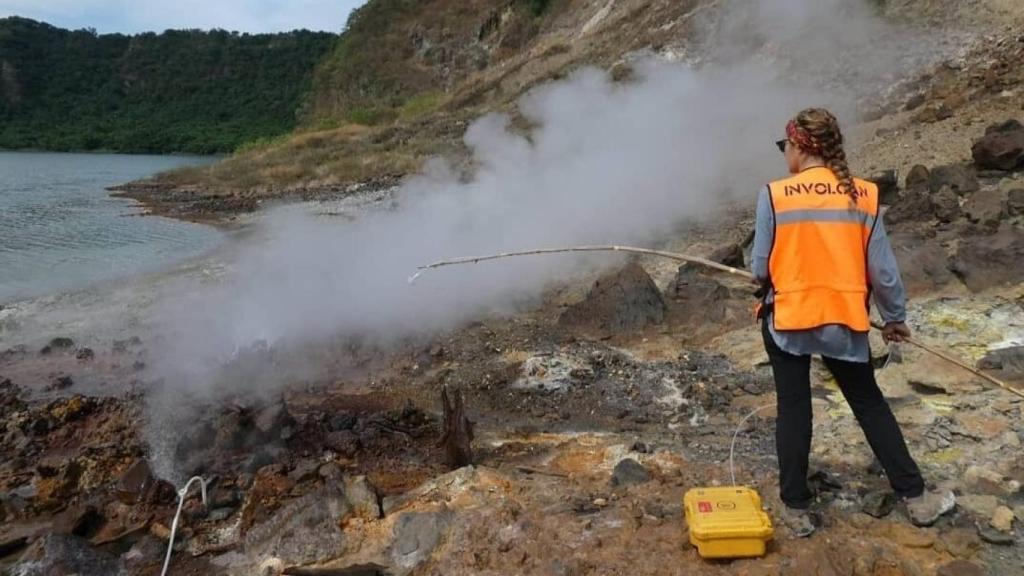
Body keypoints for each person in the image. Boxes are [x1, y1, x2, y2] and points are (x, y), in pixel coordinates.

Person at [751, 108, 955, 537]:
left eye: (783, 146)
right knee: (867, 402)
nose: (783, 154)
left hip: (788, 319)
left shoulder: (775, 195)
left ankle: (796, 506)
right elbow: (882, 272)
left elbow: (759, 271)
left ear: (800, 146)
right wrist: (894, 318)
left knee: (794, 406)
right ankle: (915, 497)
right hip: (844, 321)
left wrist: (773, 278)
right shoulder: (863, 195)